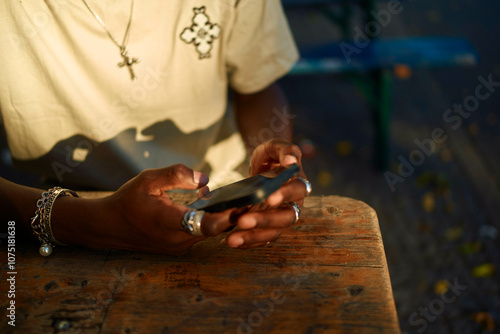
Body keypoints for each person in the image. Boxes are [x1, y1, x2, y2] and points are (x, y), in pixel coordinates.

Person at [0, 0, 311, 256]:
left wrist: (268, 173)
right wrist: (85, 222)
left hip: (218, 199)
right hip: (70, 207)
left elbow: (257, 87)